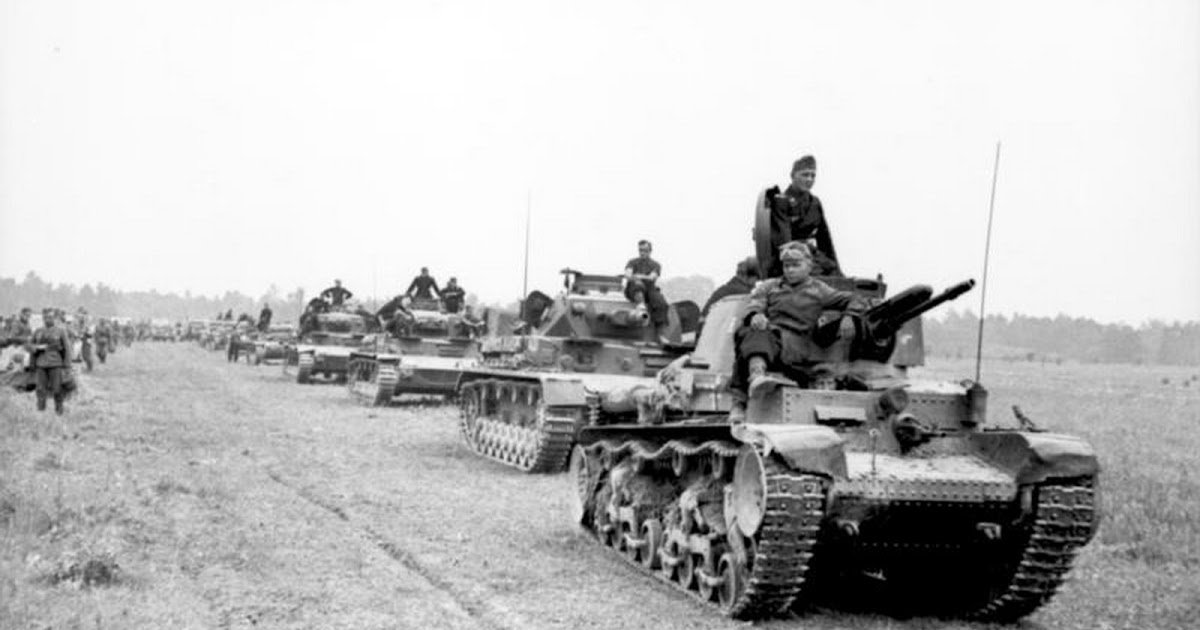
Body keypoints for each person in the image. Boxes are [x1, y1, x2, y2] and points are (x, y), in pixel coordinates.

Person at [729, 243, 865, 420]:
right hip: (770, 344)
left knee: (754, 340)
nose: (790, 270)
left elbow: (855, 299)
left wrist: (849, 316)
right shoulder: (769, 287)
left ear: (809, 266)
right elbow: (755, 304)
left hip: (797, 350)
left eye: (796, 265)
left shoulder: (819, 290)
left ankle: (742, 398)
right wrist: (755, 315)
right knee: (750, 331)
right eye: (787, 266)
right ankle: (755, 379)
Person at [768, 155, 841, 277]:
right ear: (793, 176)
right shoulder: (781, 202)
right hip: (788, 260)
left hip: (811, 256)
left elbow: (825, 239)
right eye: (805, 175)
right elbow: (784, 243)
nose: (809, 179)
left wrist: (836, 269)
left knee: (834, 274)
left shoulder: (814, 202)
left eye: (813, 176)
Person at [27, 308, 74, 414]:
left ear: (54, 318)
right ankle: (41, 411)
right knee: (40, 389)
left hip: (55, 363)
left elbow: (67, 348)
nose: (48, 319)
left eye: (51, 317)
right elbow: (30, 346)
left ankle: (59, 411)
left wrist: (67, 365)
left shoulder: (60, 331)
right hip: (41, 364)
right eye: (46, 317)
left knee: (57, 389)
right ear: (43, 318)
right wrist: (36, 352)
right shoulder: (38, 331)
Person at [624, 240, 670, 340]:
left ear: (650, 251)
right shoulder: (632, 262)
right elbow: (628, 275)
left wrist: (638, 275)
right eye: (640, 250)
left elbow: (652, 277)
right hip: (633, 288)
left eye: (645, 250)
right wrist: (639, 277)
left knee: (661, 303)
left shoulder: (656, 265)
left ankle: (660, 332)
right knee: (638, 285)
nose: (642, 253)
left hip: (649, 288)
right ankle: (641, 308)